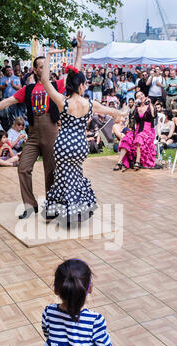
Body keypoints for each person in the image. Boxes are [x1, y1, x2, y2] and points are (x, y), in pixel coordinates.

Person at [0, 31, 84, 220]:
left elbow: (75, 72)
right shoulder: (27, 89)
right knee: (23, 168)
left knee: (51, 170)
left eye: (47, 66)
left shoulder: (56, 85)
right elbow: (8, 101)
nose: (45, 69)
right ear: (35, 70)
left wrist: (79, 48)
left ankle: (52, 207)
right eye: (41, 66)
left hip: (51, 129)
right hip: (33, 132)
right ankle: (30, 206)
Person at [41, 46, 124, 223]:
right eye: (85, 83)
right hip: (80, 145)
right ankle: (73, 212)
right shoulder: (90, 104)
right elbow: (112, 111)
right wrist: (123, 113)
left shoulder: (62, 101)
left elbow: (45, 81)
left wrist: (48, 56)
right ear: (80, 85)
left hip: (63, 145)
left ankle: (60, 212)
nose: (86, 86)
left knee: (62, 177)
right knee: (75, 176)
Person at [113, 90, 156, 171]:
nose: (141, 96)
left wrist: (150, 103)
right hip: (138, 130)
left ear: (145, 95)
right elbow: (130, 114)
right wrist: (135, 104)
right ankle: (119, 162)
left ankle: (137, 162)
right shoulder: (136, 107)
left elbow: (153, 115)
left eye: (142, 94)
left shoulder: (150, 106)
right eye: (138, 96)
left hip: (148, 131)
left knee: (139, 138)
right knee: (127, 138)